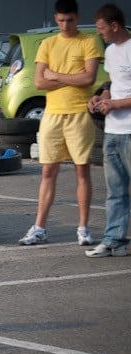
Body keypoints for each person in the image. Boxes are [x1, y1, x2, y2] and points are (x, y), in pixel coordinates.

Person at [18, 0, 103, 246]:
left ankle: (84, 228)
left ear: (77, 18)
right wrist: (70, 79)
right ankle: (39, 227)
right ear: (55, 19)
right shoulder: (47, 44)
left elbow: (89, 78)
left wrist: (55, 75)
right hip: (52, 114)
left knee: (82, 170)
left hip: (79, 113)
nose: (66, 24)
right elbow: (39, 83)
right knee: (48, 171)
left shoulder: (89, 41)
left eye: (70, 20)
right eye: (61, 20)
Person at [85, 4, 131, 258]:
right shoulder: (112, 51)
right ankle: (115, 241)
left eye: (102, 30)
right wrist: (101, 97)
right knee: (115, 192)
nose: (99, 34)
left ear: (114, 26)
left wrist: (115, 104)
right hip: (112, 131)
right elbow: (113, 84)